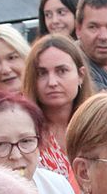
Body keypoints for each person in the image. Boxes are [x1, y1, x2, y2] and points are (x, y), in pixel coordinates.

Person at [23, 35, 90, 179]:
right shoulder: (23, 133)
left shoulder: (100, 126)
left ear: (80, 75)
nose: (52, 82)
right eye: (42, 73)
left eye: (62, 71)